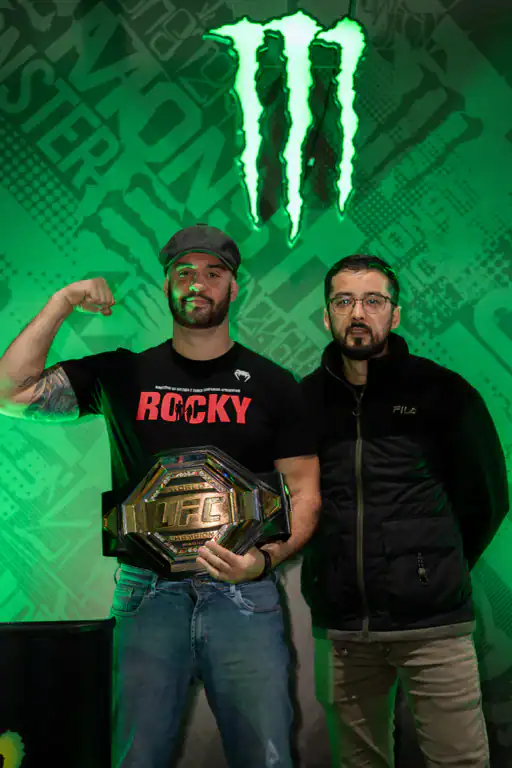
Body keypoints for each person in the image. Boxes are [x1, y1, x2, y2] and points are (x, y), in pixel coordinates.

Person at [0, 223, 321, 768]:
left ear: (234, 287)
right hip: (146, 595)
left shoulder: (273, 383)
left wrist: (264, 560)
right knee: (136, 758)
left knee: (266, 759)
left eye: (213, 273)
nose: (198, 283)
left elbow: (305, 492)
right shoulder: (123, 373)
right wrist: (62, 302)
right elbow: (11, 391)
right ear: (167, 284)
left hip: (243, 594)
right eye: (184, 271)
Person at [301, 254, 509, 768]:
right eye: (344, 301)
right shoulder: (303, 401)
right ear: (326, 316)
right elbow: (292, 498)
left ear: (394, 314)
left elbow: (486, 498)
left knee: (460, 762)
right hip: (345, 628)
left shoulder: (444, 392)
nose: (358, 313)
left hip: (434, 627)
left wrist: (433, 567)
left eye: (373, 301)